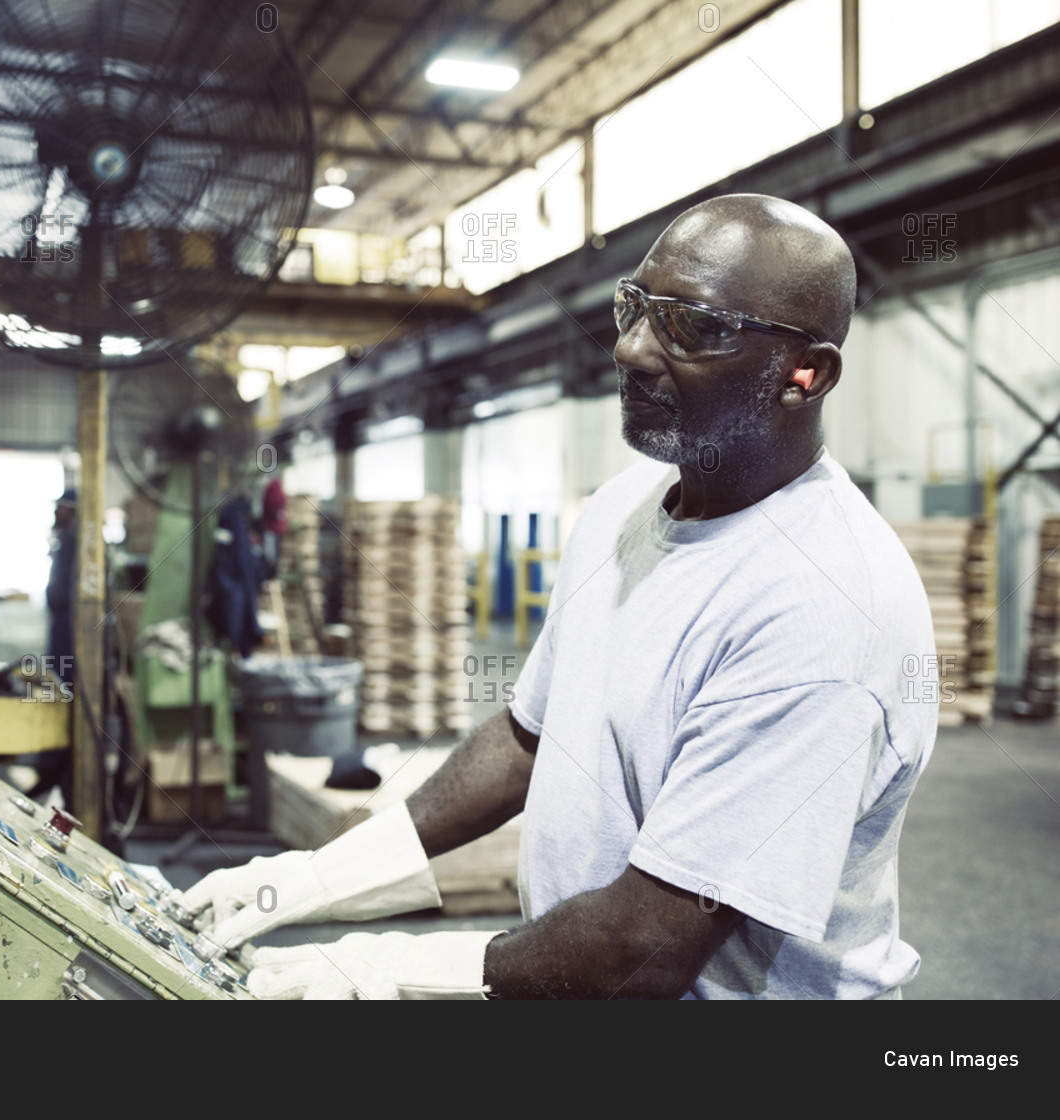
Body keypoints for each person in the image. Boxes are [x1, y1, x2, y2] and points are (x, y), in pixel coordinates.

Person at [181, 194, 940, 999]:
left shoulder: (821, 610)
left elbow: (645, 946)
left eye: (694, 327)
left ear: (806, 374)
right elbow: (528, 738)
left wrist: (389, 966)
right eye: (636, 307)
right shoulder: (623, 510)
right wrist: (319, 875)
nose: (633, 349)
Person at [45, 490, 78, 684]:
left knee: (62, 674)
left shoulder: (74, 541)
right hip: (60, 619)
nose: (57, 512)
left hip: (70, 620)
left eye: (61, 508)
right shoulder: (64, 539)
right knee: (56, 672)